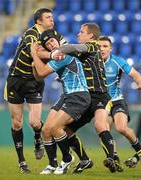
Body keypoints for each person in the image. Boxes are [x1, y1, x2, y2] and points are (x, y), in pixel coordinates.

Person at [4, 8, 66, 173]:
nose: (52, 19)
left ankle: (38, 138)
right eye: (48, 17)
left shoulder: (55, 35)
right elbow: (36, 50)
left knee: (34, 122)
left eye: (52, 16)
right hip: (16, 80)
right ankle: (22, 162)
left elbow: (66, 49)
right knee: (17, 123)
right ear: (39, 21)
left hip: (34, 81)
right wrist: (55, 55)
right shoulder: (31, 33)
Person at [52, 23, 120, 173]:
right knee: (66, 130)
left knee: (100, 125)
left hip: (101, 95)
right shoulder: (85, 52)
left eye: (81, 32)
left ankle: (111, 158)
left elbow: (73, 48)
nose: (78, 34)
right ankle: (84, 160)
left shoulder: (92, 46)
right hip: (86, 97)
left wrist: (55, 51)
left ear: (90, 36)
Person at [31, 29, 91, 175]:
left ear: (57, 40)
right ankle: (52, 164)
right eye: (47, 43)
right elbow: (38, 77)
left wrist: (34, 53)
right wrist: (34, 66)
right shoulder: (56, 56)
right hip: (67, 95)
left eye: (52, 40)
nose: (51, 44)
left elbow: (43, 72)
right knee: (46, 130)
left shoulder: (62, 54)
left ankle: (67, 158)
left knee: (57, 128)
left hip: (78, 95)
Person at [98, 36, 141, 168]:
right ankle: (113, 157)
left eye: (105, 46)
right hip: (102, 102)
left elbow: (135, 74)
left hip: (117, 100)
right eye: (99, 46)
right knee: (103, 128)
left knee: (121, 127)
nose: (102, 49)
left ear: (110, 48)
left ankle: (140, 150)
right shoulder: (92, 63)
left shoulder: (117, 61)